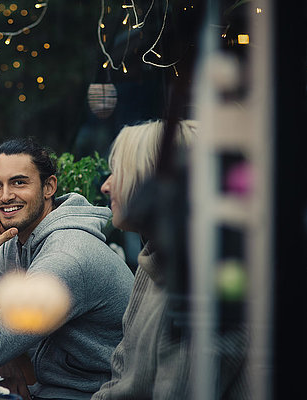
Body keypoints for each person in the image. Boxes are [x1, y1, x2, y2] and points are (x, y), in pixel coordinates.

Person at [0, 138, 134, 400]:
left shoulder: (67, 256)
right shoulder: (15, 241)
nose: (5, 196)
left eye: (19, 182)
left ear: (48, 186)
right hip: (44, 390)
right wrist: (14, 355)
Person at [92, 120, 250, 399]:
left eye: (118, 172)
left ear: (154, 182)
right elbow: (121, 369)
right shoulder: (154, 259)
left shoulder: (205, 285)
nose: (105, 186)